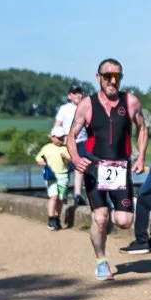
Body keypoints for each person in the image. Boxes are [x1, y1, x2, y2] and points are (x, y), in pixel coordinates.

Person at [65, 58, 148, 281]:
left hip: (120, 167)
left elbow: (142, 128)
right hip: (94, 165)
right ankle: (101, 261)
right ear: (98, 77)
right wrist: (76, 158)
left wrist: (141, 156)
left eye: (117, 76)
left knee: (123, 221)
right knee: (100, 217)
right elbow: (71, 136)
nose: (113, 81)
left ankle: (102, 221)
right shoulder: (87, 105)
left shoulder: (130, 102)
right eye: (107, 76)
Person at [54, 84, 88, 219]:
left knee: (80, 168)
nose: (78, 95)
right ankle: (62, 195)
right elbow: (57, 124)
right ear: (69, 96)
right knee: (65, 169)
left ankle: (77, 194)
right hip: (67, 141)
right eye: (75, 93)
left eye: (79, 93)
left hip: (82, 141)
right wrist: (57, 139)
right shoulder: (64, 109)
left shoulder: (85, 107)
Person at [33, 127, 72, 231]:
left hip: (63, 175)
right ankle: (51, 219)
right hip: (52, 176)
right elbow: (38, 158)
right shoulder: (47, 148)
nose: (61, 140)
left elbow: (70, 160)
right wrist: (44, 164)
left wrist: (66, 158)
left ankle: (57, 218)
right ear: (52, 137)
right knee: (53, 196)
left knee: (60, 198)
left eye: (62, 138)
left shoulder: (64, 148)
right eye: (59, 138)